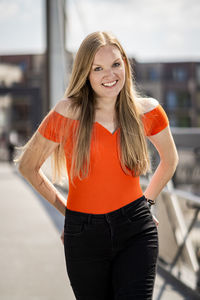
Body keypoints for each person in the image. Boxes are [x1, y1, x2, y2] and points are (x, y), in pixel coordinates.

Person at [17, 31, 179, 300]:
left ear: (125, 64)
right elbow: (27, 165)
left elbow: (170, 160)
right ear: (86, 73)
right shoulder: (67, 112)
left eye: (116, 64)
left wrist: (146, 203)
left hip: (136, 230)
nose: (110, 74)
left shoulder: (148, 111)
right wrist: (67, 211)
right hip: (83, 235)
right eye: (98, 68)